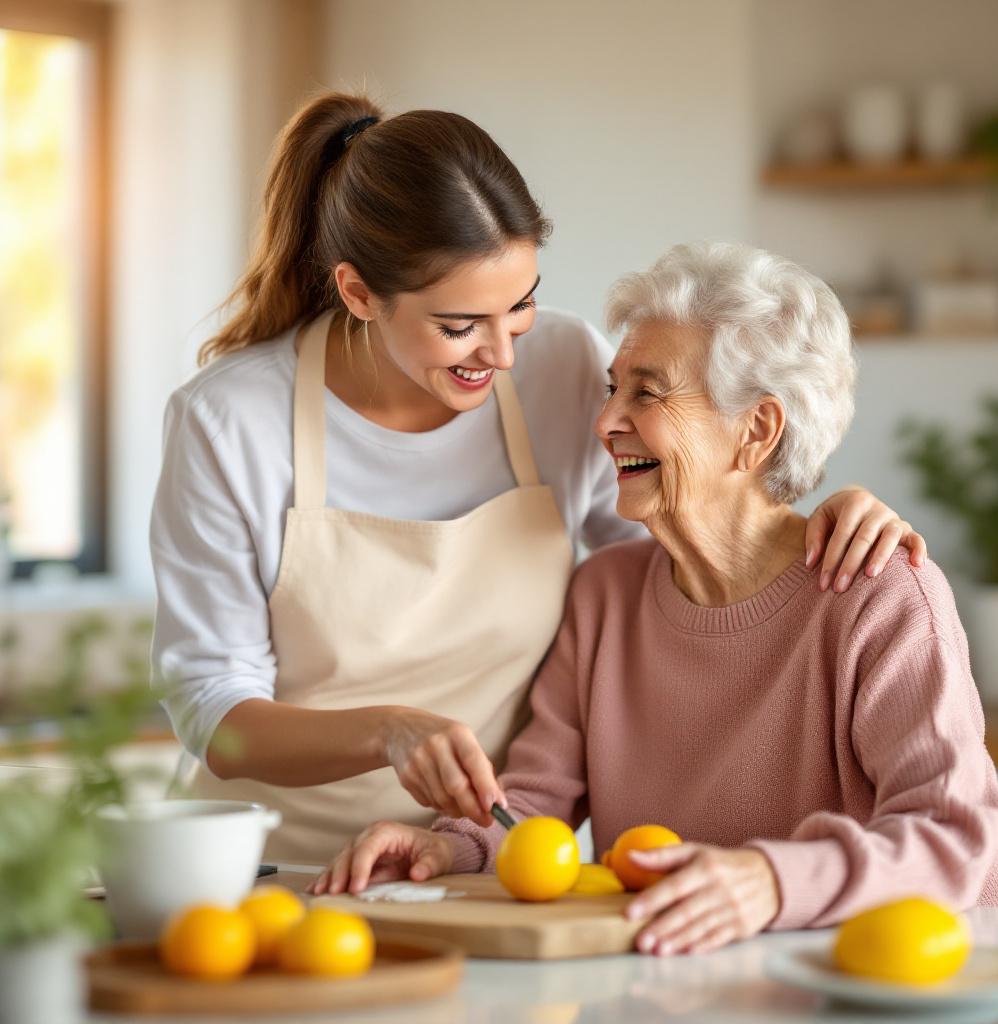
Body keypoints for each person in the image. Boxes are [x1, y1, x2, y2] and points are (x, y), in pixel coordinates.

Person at [151, 93, 927, 864]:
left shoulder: (562, 365)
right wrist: (388, 732)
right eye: (459, 327)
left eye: (520, 306)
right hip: (264, 863)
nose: (503, 356)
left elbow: (685, 553)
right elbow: (213, 709)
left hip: (466, 860)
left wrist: (813, 510)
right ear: (358, 293)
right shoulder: (231, 421)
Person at [313, 243, 998, 956]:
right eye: (613, 389)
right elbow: (529, 807)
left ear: (757, 431)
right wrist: (448, 849)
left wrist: (772, 881)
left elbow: (954, 837)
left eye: (646, 393)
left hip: (854, 988)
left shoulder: (878, 596)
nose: (606, 421)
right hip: (665, 988)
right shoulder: (604, 596)